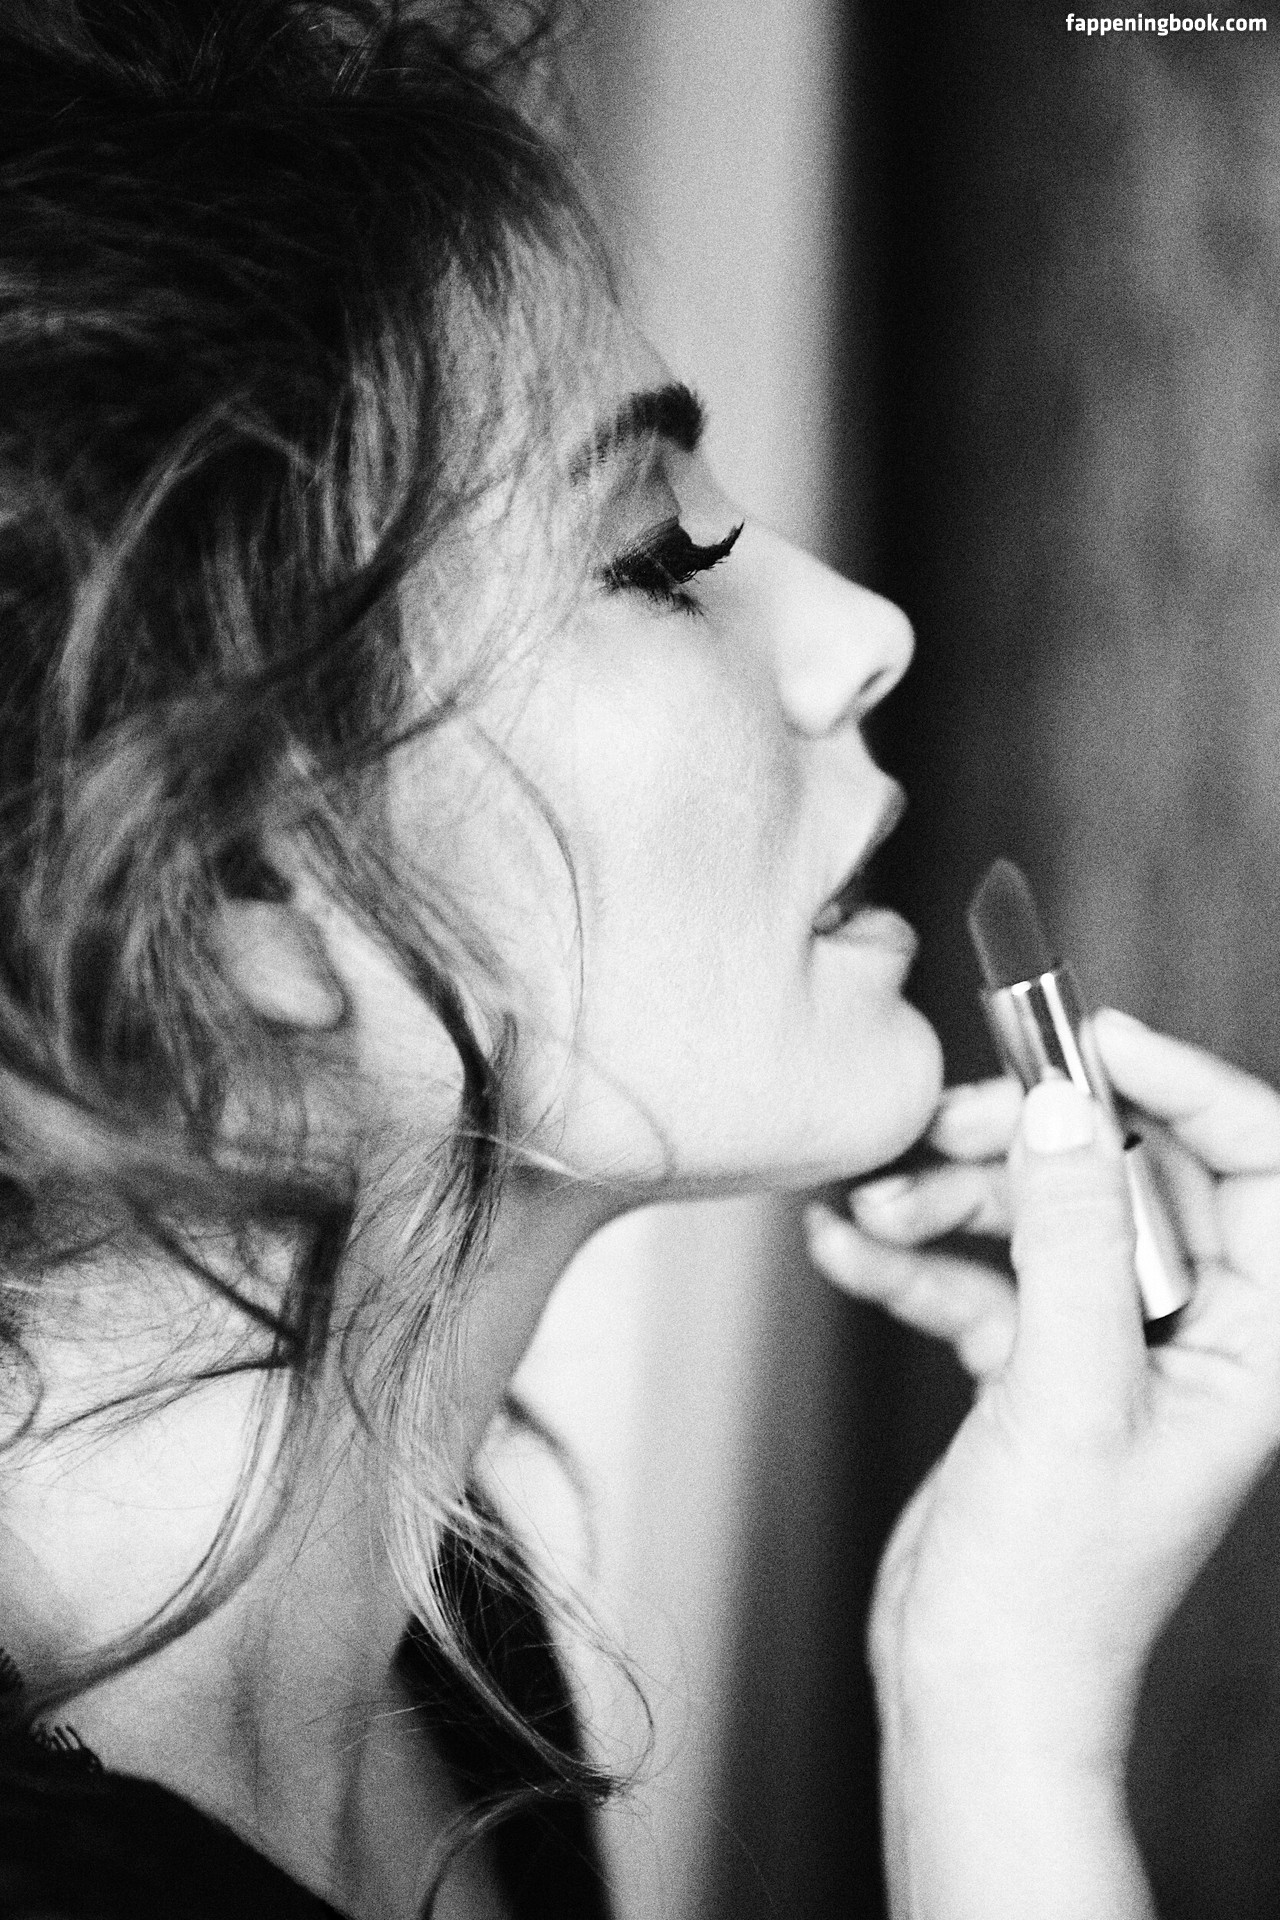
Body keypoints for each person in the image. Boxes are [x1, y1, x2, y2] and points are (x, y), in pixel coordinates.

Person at [1, 3, 1278, 1918]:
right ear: (240, 884)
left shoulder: (439, 1651)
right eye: (661, 560)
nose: (864, 631)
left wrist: (993, 1694)